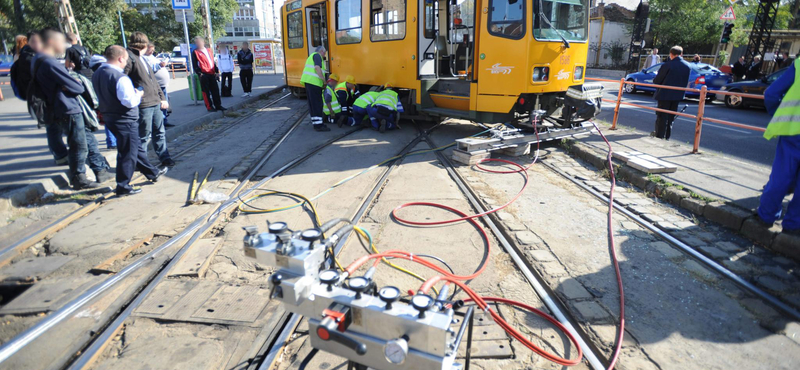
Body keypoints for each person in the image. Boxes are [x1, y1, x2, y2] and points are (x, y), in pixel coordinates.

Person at [33, 28, 112, 189]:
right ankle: (79, 178)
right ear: (51, 42)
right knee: (78, 144)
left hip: (62, 106)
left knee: (83, 141)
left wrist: (69, 83)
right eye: (62, 42)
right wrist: (71, 84)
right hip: (67, 107)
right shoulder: (49, 61)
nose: (65, 46)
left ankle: (93, 173)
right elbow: (77, 87)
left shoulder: (39, 60)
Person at [93, 45, 167, 196]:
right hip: (124, 119)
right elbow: (129, 102)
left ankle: (153, 173)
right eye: (125, 60)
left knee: (135, 148)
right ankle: (123, 186)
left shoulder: (98, 72)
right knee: (128, 153)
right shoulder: (120, 77)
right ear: (120, 58)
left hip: (109, 116)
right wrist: (138, 94)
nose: (126, 63)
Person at [757, 58, 800, 235]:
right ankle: (794, 225)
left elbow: (772, 93)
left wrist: (780, 115)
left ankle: (766, 215)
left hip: (794, 130)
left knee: (782, 174)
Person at [124, 32, 175, 168]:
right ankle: (141, 162)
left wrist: (162, 98)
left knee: (159, 131)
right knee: (143, 135)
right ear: (144, 45)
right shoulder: (130, 58)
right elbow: (122, 78)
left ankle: (164, 157)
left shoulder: (144, 58)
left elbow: (154, 81)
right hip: (143, 103)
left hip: (155, 101)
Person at [652, 46, 691, 140]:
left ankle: (660, 136)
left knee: (662, 116)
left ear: (671, 54)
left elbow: (657, 80)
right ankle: (667, 136)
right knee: (671, 117)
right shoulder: (687, 66)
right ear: (681, 54)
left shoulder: (667, 65)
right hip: (677, 95)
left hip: (664, 94)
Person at [191, 36, 226, 112]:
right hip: (204, 74)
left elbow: (212, 62)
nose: (198, 43)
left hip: (212, 73)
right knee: (206, 92)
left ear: (203, 42)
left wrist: (216, 71)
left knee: (215, 90)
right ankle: (209, 107)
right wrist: (200, 73)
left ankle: (218, 105)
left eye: (199, 42)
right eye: (197, 42)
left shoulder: (209, 50)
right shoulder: (195, 52)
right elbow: (195, 65)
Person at [143, 43, 173, 128]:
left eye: (153, 50)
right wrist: (160, 65)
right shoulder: (143, 58)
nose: (152, 51)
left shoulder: (152, 57)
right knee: (160, 105)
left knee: (165, 103)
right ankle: (160, 123)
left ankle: (164, 120)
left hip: (162, 85)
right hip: (156, 85)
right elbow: (149, 70)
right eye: (150, 50)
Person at [300, 46, 329, 131]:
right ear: (321, 51)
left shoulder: (311, 56)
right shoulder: (317, 56)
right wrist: (323, 80)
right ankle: (319, 125)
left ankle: (316, 123)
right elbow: (317, 68)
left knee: (312, 104)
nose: (324, 55)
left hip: (309, 83)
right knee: (317, 104)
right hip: (314, 83)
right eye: (324, 53)